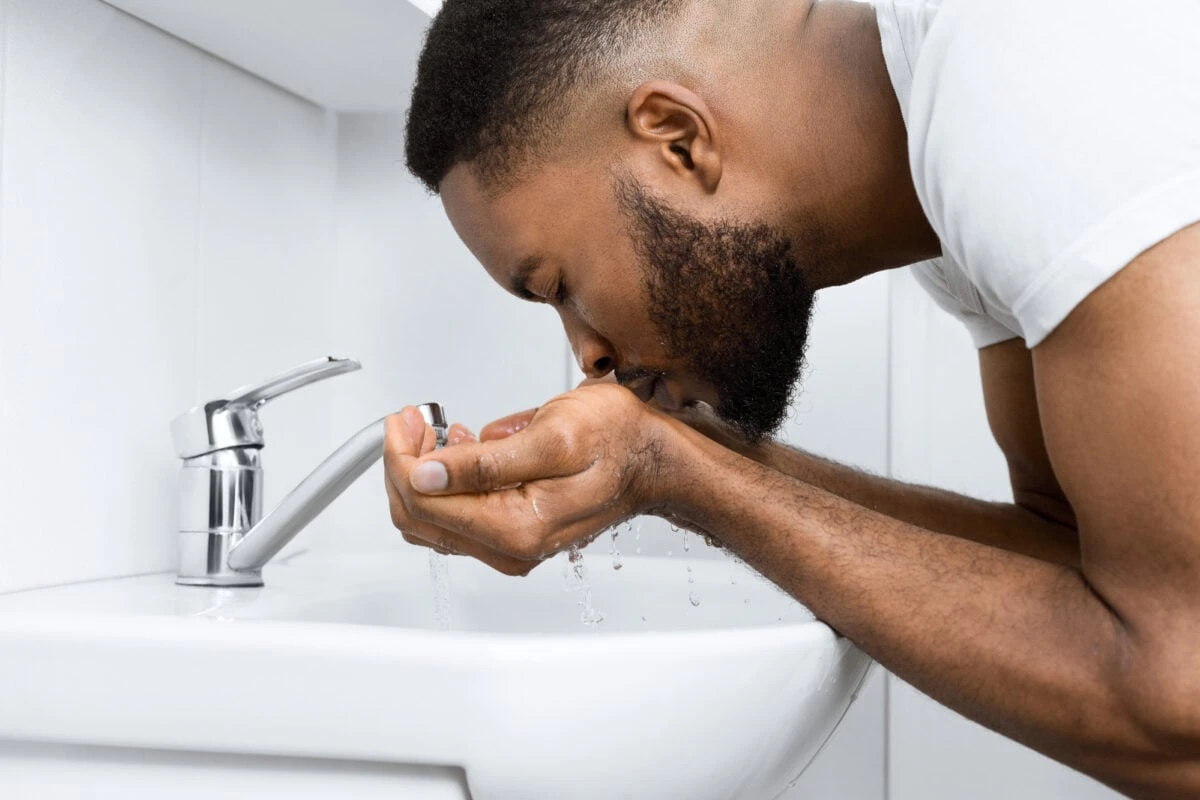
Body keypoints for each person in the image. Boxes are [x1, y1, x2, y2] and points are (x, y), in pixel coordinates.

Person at [383, 0, 1200, 795]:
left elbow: (1179, 703)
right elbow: (1074, 560)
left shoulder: (1022, 65)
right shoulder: (955, 145)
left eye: (560, 286)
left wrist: (680, 473)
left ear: (678, 136)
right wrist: (667, 458)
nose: (589, 356)